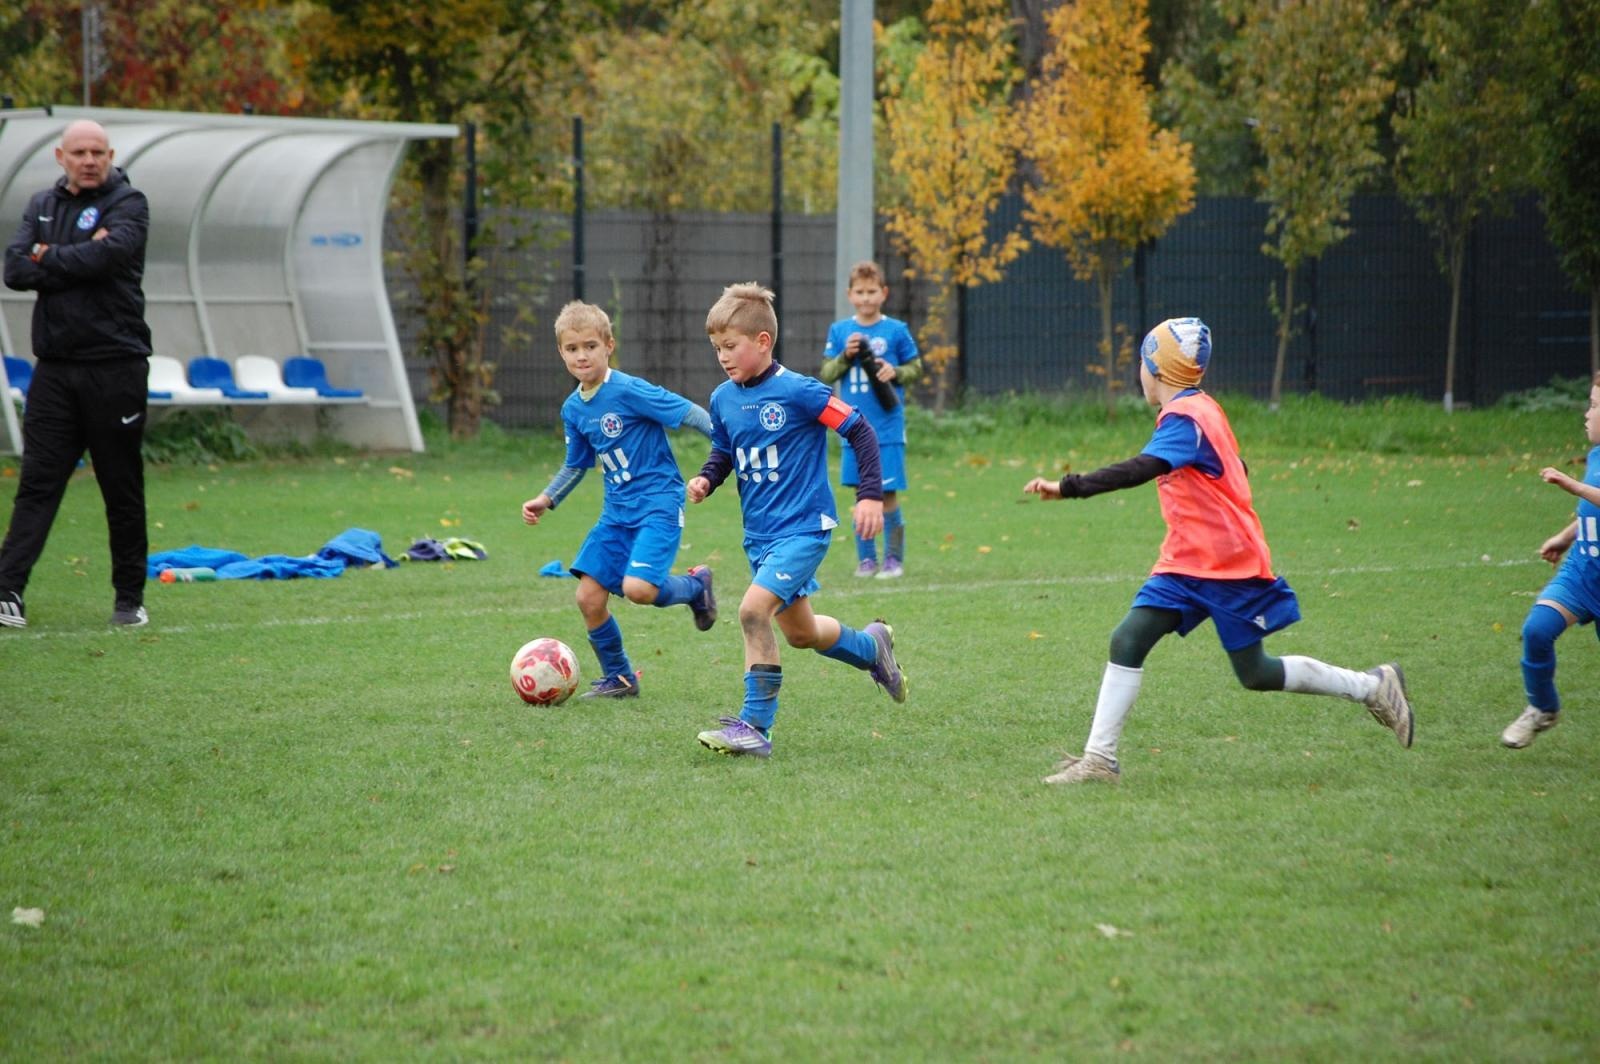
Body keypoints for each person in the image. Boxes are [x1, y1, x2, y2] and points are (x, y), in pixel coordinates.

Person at [1021, 317, 1415, 784]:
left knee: (1255, 672)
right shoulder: (1200, 408)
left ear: (1157, 369)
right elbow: (1235, 466)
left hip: (1227, 566)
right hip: (1186, 562)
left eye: (1142, 364)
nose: (1139, 375)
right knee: (1128, 639)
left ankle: (1372, 686)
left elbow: (1141, 468)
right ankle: (1099, 761)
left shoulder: (1187, 417)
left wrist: (1069, 487)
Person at [687, 282, 907, 757]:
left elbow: (859, 429)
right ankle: (873, 649)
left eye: (730, 346)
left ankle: (755, 728)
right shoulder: (723, 398)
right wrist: (707, 478)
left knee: (751, 611)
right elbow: (725, 450)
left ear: (762, 342)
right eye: (716, 348)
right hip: (759, 535)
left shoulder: (802, 392)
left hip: (804, 529)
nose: (722, 356)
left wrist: (870, 495)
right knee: (801, 633)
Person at [521, 301, 718, 698]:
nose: (582, 355)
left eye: (590, 346)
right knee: (588, 597)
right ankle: (621, 678)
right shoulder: (573, 409)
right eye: (572, 348)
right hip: (616, 514)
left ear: (608, 345)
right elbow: (576, 465)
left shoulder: (629, 390)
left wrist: (728, 449)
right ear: (561, 352)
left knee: (639, 590)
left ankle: (696, 588)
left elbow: (689, 412)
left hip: (659, 505)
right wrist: (546, 499)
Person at [0, 120, 152, 629]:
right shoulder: (41, 205)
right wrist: (66, 257)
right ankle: (7, 594)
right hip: (56, 372)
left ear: (110, 155)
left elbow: (108, 257)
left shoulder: (129, 204)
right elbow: (15, 269)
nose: (89, 160)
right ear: (61, 157)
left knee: (120, 485)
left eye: (98, 152)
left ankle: (129, 599)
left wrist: (50, 255)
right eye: (79, 152)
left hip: (115, 368)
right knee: (38, 485)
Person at [1500, 372, 1600, 749]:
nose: (1586, 415)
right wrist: (1566, 535)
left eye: (1594, 407)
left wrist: (1568, 483)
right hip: (1583, 569)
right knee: (1537, 630)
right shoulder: (1595, 455)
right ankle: (1542, 708)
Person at [818, 260, 920, 579]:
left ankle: (893, 559)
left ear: (883, 293)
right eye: (859, 292)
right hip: (852, 427)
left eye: (871, 291)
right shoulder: (840, 331)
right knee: (861, 493)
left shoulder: (896, 331)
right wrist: (845, 357)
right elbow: (826, 373)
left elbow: (915, 368)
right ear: (850, 295)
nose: (865, 298)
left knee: (886, 493)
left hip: (886, 426)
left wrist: (897, 372)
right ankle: (866, 559)